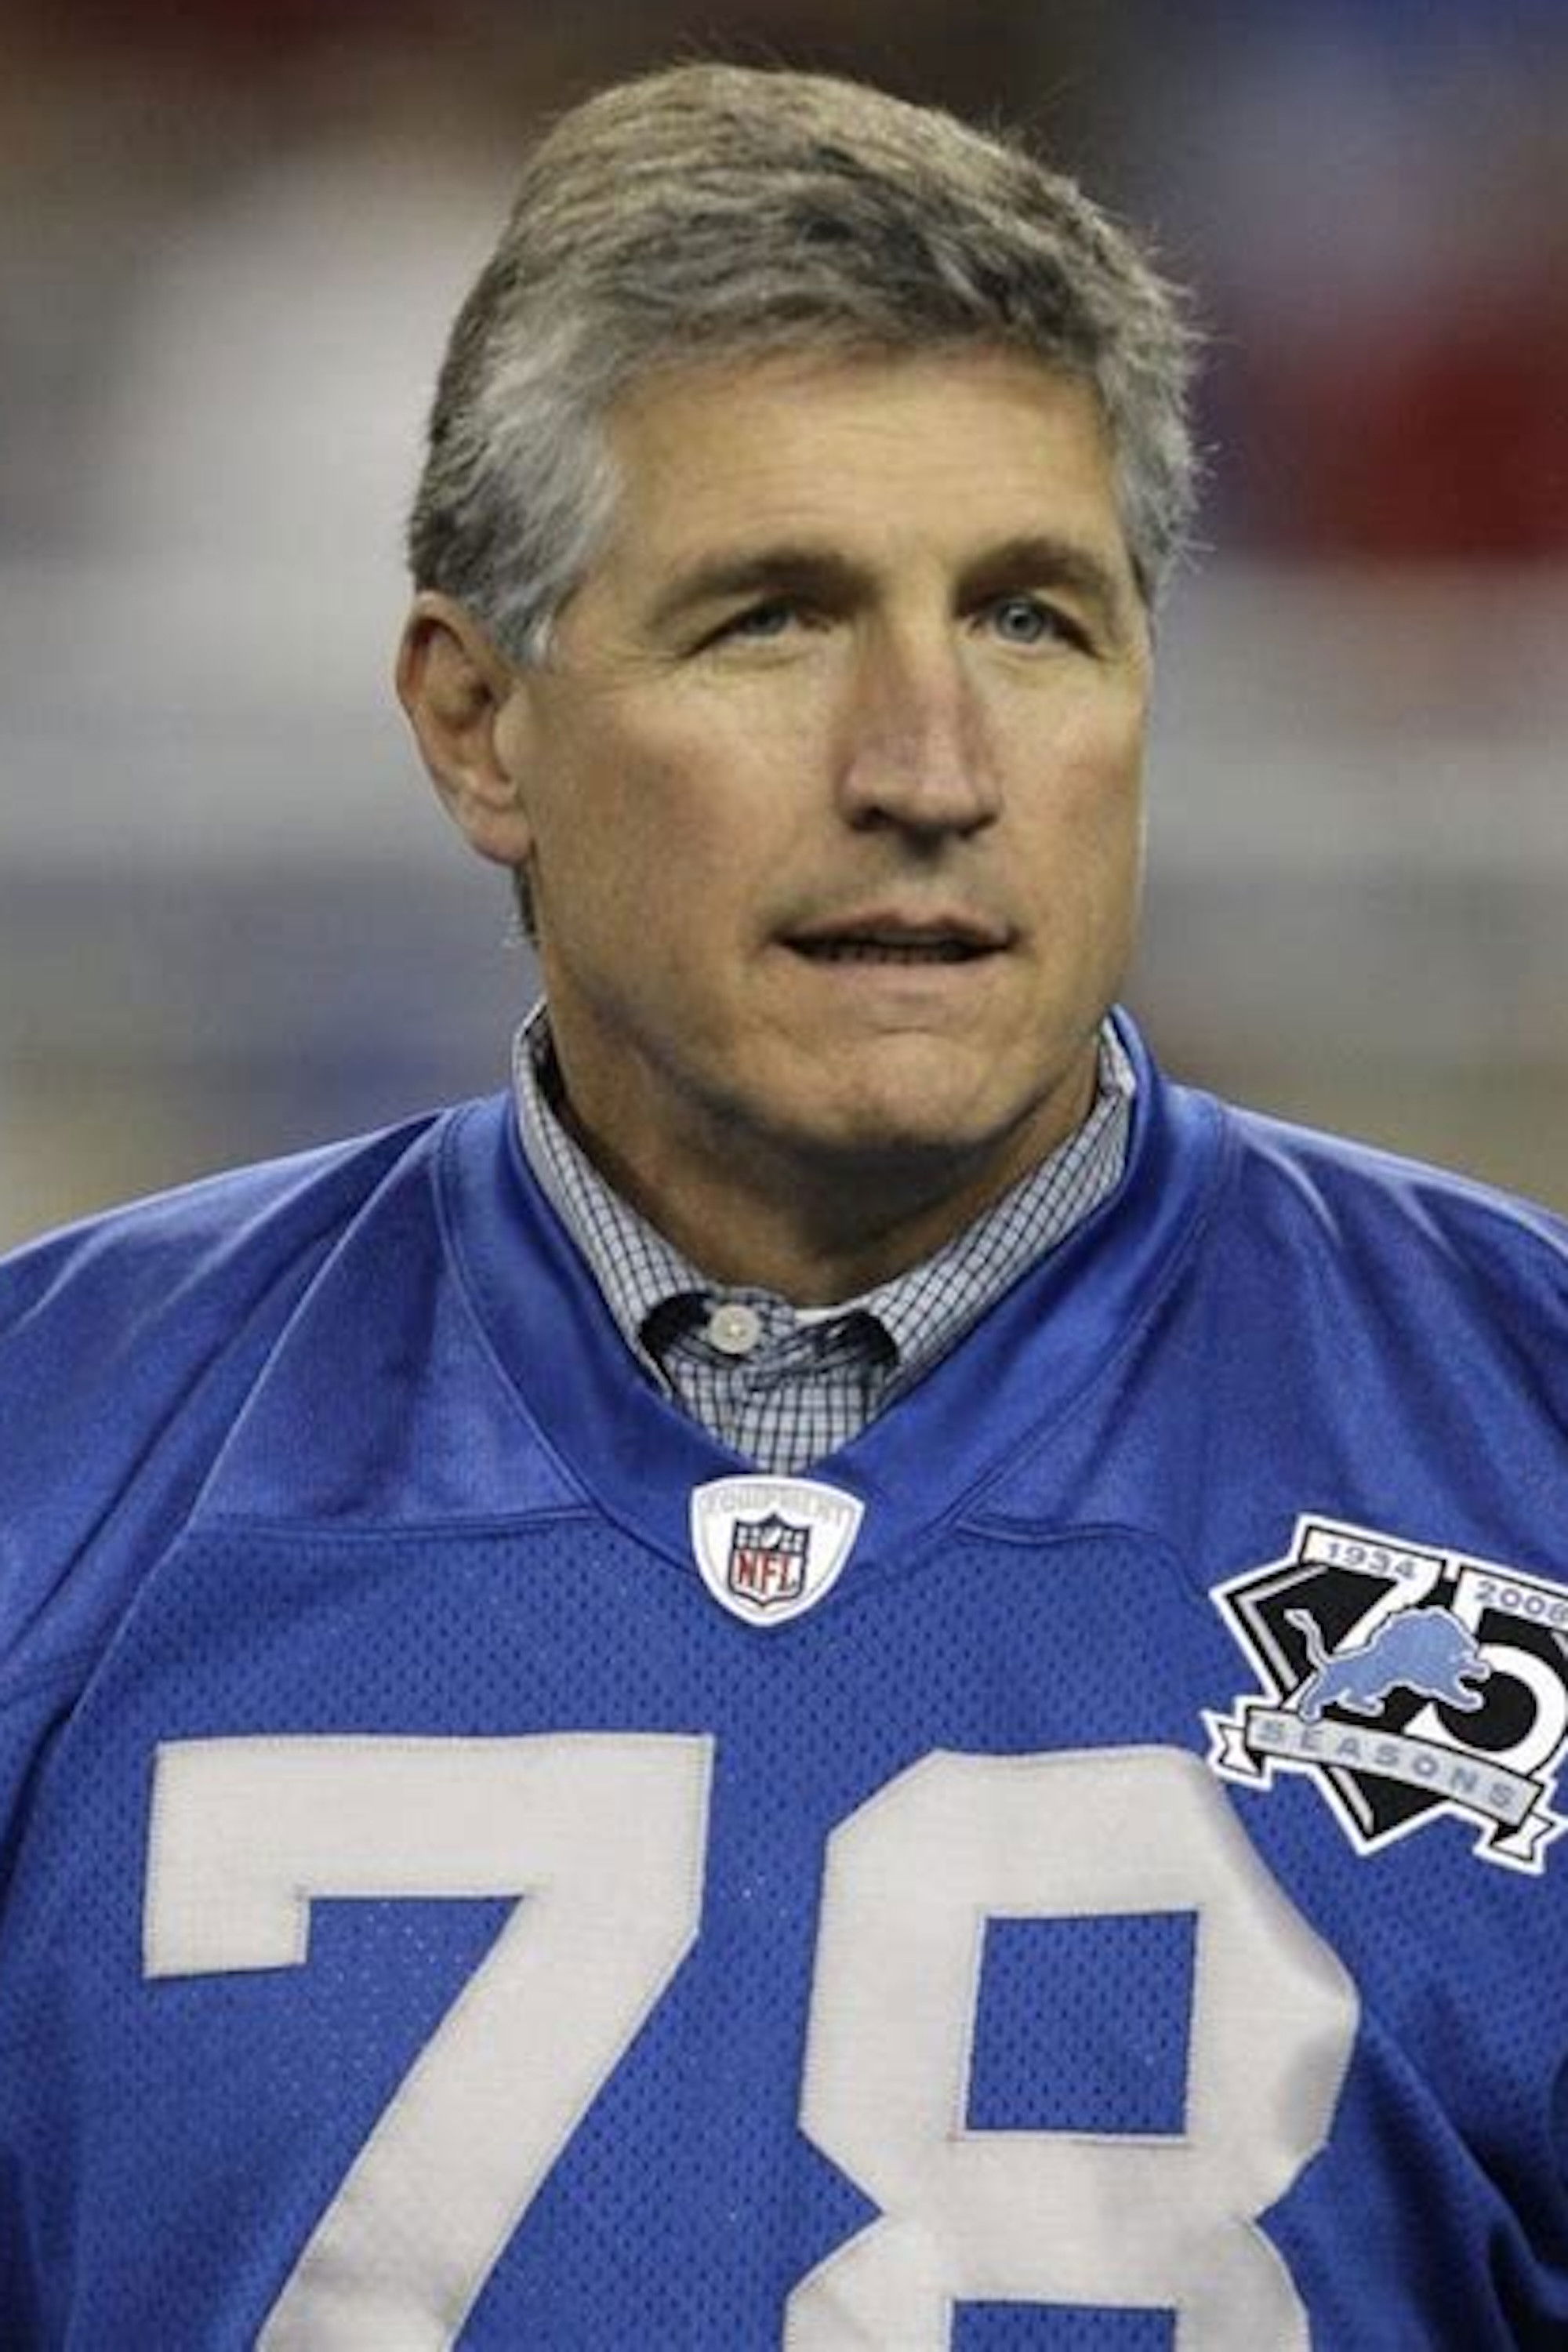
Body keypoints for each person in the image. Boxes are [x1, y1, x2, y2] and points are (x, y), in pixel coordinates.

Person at [2, 60, 1566, 2351]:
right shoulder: (50, 1470)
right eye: (772, 619)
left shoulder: (1529, 1438)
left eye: (1032, 618)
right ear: (477, 722)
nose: (929, 767)